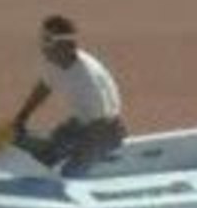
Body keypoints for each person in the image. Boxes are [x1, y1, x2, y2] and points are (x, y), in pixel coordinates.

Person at [12, 15, 126, 170]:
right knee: (45, 156)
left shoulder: (87, 80)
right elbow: (44, 87)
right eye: (42, 38)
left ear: (65, 44)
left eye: (47, 40)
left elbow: (101, 125)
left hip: (105, 131)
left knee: (70, 172)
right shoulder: (53, 62)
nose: (42, 46)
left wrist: (77, 155)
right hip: (82, 121)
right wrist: (21, 117)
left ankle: (102, 159)